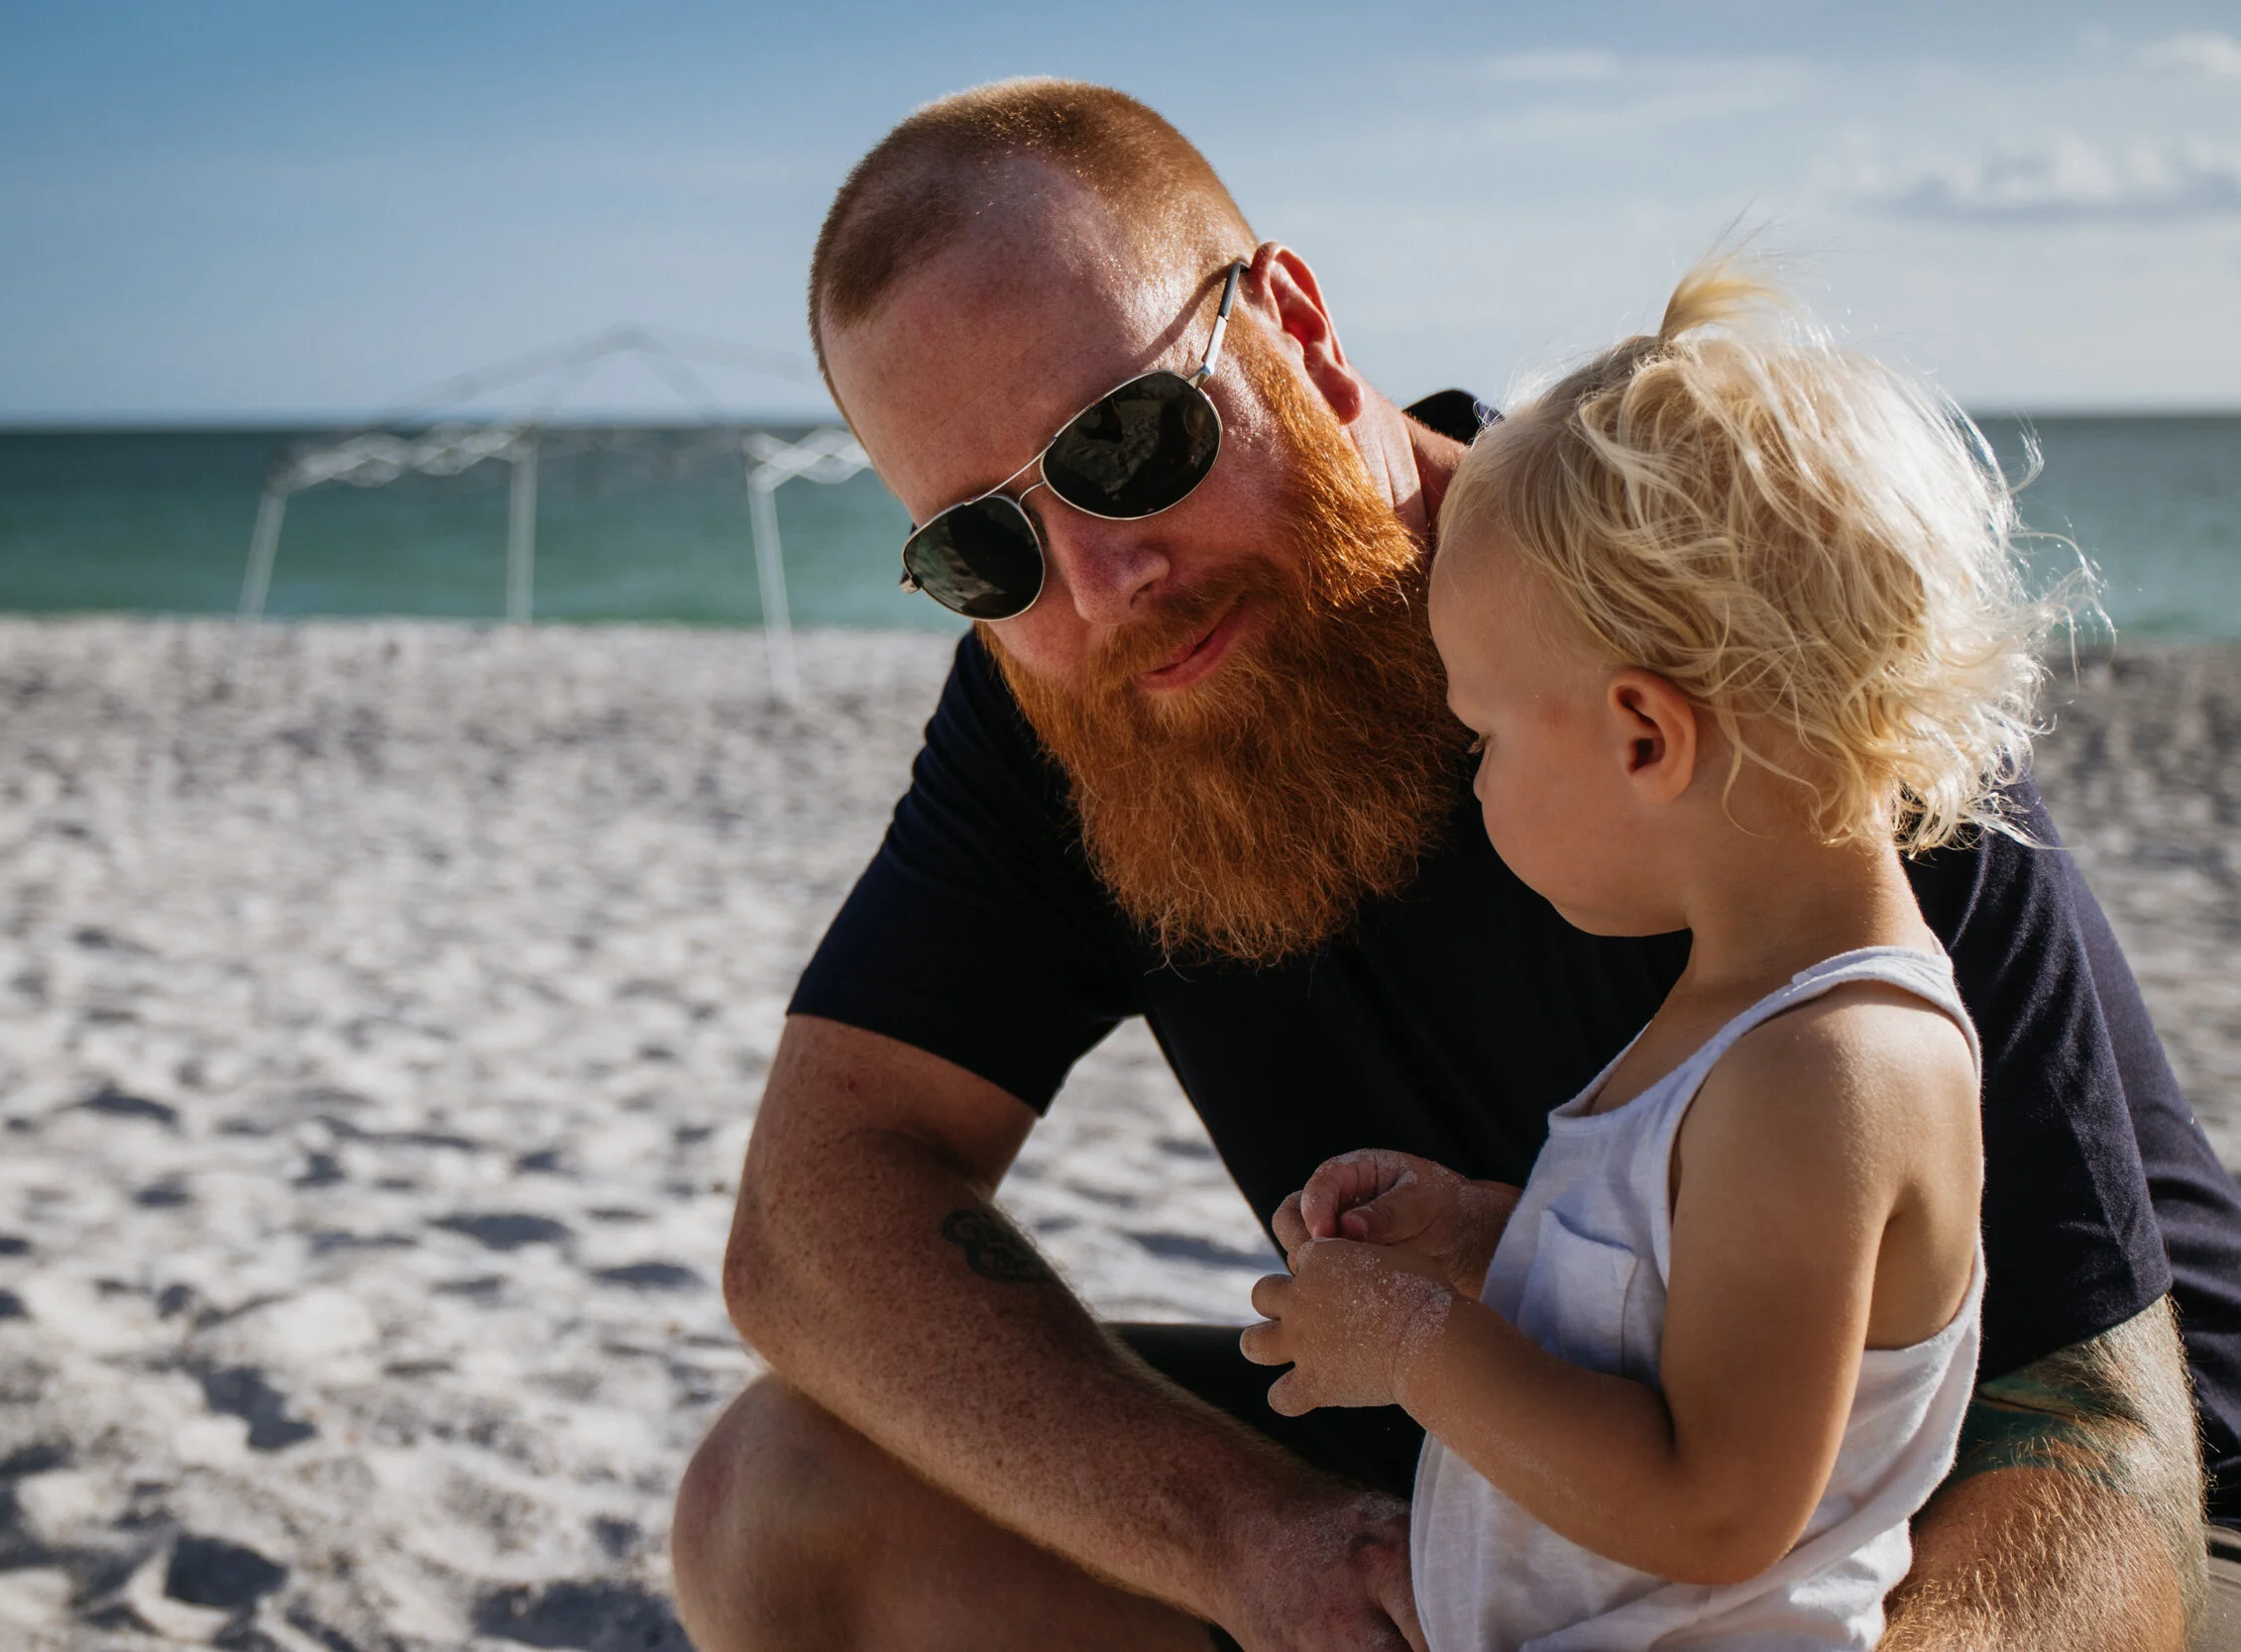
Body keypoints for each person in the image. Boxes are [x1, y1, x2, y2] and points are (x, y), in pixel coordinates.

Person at [671, 79, 2241, 1651]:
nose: (1100, 581)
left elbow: (2097, 1423)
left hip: (2020, 1502)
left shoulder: (1705, 595)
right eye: (983, 551)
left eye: (1130, 439)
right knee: (783, 1497)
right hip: (1538, 1464)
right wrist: (1252, 1541)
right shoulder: (1078, 692)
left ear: (1293, 321)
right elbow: (815, 1217)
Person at [1240, 263, 2028, 1646]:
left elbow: (1719, 1503)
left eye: (1483, 736)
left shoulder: (1829, 1071)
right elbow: (1691, 1329)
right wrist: (1493, 1250)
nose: (1470, 785)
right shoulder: (1751, 1020)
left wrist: (1421, 1349)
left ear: (1644, 735)